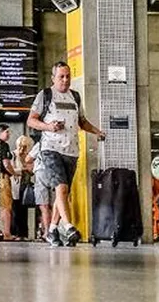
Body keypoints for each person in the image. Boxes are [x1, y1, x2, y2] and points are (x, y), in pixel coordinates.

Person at [26, 61, 106, 247]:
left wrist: (97, 132)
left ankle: (52, 230)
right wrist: (48, 126)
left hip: (71, 151)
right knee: (61, 188)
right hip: (50, 149)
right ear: (53, 78)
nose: (65, 80)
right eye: (61, 76)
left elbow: (82, 122)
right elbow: (31, 120)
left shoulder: (75, 97)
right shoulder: (45, 96)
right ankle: (69, 227)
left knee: (63, 193)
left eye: (68, 76)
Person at [10, 135, 35, 240]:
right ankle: (15, 233)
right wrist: (22, 169)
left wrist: (25, 163)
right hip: (15, 185)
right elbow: (11, 169)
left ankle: (24, 234)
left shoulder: (29, 156)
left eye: (26, 146)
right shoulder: (13, 155)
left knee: (24, 209)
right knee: (15, 209)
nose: (23, 148)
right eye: (22, 145)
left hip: (26, 185)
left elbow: (32, 170)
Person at [29, 141, 53, 239]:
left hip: (41, 173)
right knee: (57, 204)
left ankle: (47, 232)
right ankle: (55, 229)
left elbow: (28, 158)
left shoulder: (41, 143)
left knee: (44, 206)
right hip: (56, 174)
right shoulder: (59, 143)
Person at [0, 127, 14, 241]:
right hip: (2, 179)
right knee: (6, 207)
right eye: (7, 132)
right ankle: (7, 234)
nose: (9, 134)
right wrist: (14, 173)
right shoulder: (3, 145)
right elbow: (6, 164)